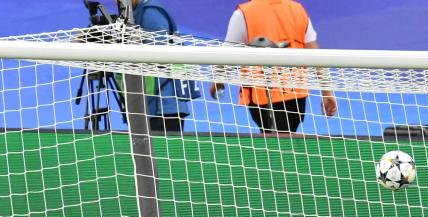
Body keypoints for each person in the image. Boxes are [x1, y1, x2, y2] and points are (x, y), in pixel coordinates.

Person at [209, 0, 337, 134]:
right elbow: (316, 54)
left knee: (274, 144)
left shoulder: (244, 14)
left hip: (262, 96)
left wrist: (217, 82)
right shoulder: (298, 10)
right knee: (286, 139)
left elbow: (227, 55)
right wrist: (327, 92)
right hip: (296, 96)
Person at [130, 0, 194, 133]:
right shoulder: (138, 13)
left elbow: (161, 58)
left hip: (165, 108)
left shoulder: (150, 12)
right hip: (154, 107)